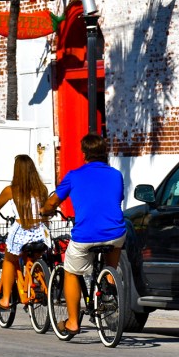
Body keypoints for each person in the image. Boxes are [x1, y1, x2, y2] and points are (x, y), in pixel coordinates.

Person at [40, 134, 126, 339]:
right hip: (116, 233)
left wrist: (45, 211)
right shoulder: (116, 174)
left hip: (86, 235)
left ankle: (71, 323)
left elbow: (53, 202)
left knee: (71, 271)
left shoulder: (74, 175)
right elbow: (116, 199)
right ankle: (109, 286)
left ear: (84, 153)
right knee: (111, 260)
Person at [0, 154, 49, 309]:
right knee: (33, 258)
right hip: (39, 232)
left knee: (9, 261)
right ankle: (40, 285)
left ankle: (5, 299)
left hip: (21, 232)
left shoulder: (11, 190)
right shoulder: (42, 189)